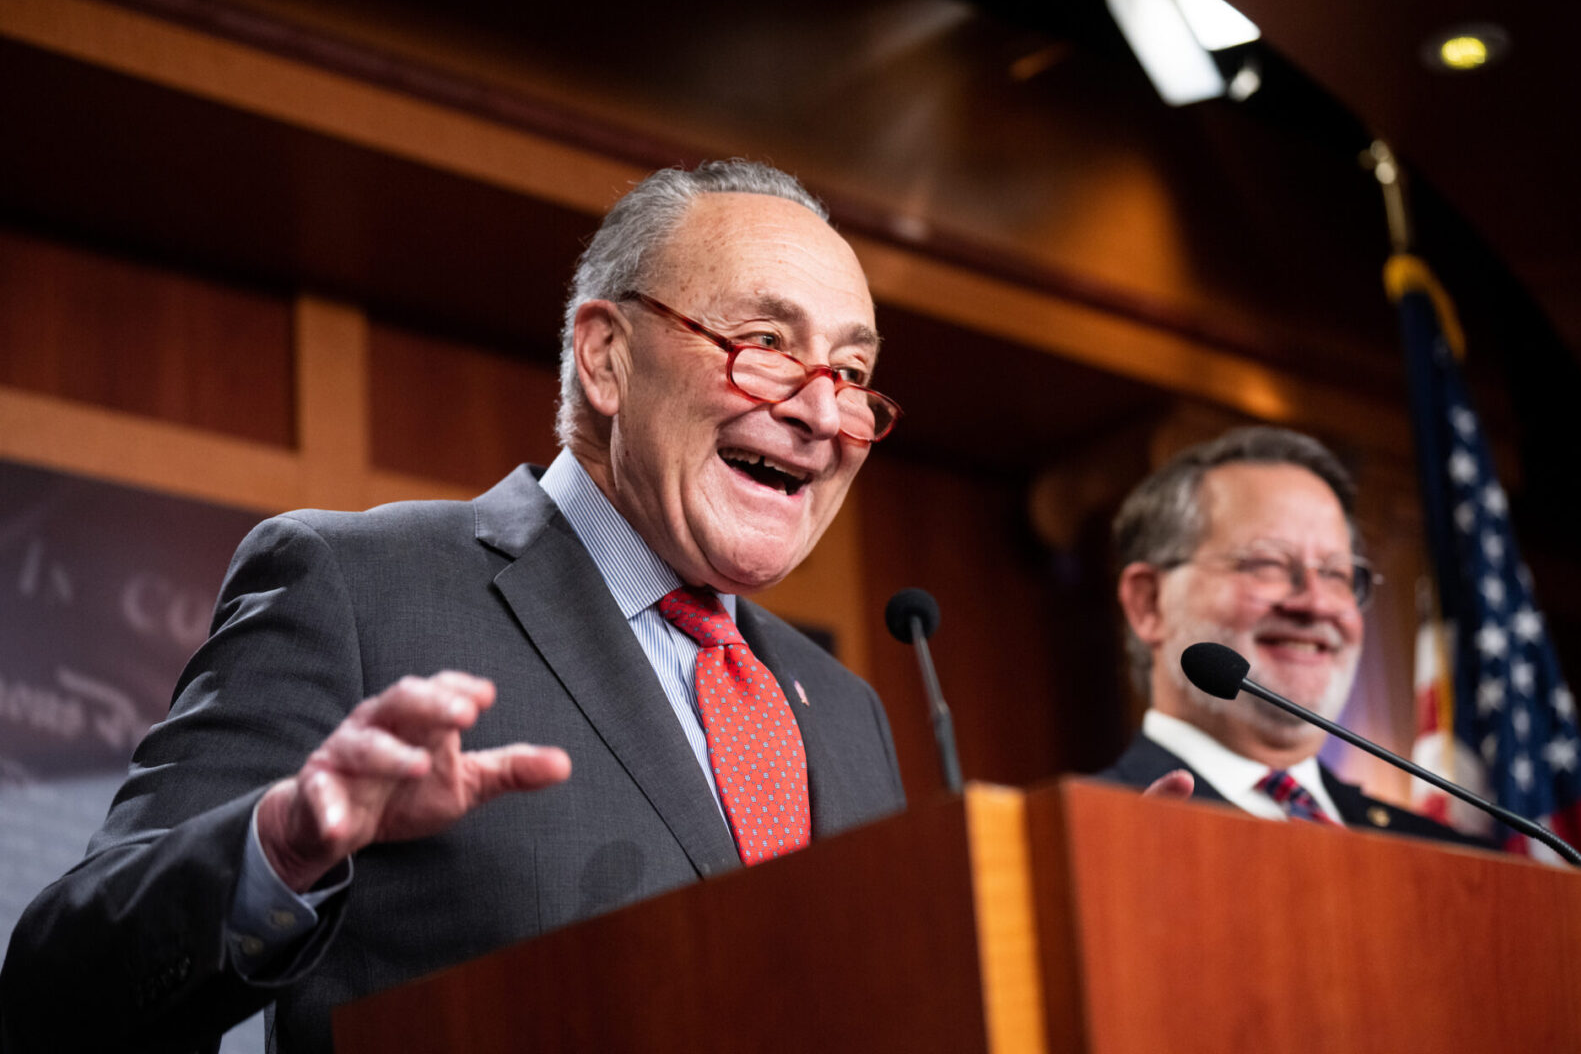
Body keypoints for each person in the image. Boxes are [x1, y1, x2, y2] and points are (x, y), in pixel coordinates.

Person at [0, 160, 908, 1053]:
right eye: (769, 346)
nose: (824, 415)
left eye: (854, 372)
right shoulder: (357, 590)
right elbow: (58, 991)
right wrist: (277, 847)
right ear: (606, 358)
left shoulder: (847, 715)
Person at [1097, 426, 1483, 845]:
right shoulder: (1088, 838)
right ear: (1149, 603)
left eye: (1337, 573)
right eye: (1266, 563)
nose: (1317, 603)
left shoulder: (1457, 859)